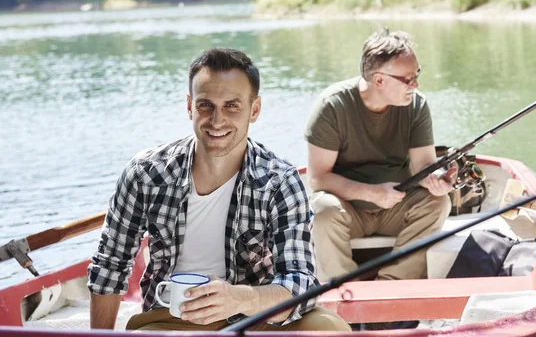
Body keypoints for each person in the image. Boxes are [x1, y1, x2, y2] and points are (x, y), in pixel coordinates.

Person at [88, 48, 351, 332]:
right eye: (205, 105)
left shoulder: (280, 181)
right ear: (189, 106)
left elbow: (300, 283)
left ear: (255, 110)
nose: (216, 120)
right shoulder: (145, 173)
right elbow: (110, 267)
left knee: (330, 329)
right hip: (173, 319)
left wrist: (240, 299)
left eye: (231, 106)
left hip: (256, 316)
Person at [305, 29, 454, 283]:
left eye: (417, 74)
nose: (415, 85)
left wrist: (438, 180)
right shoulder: (332, 106)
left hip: (397, 207)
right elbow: (318, 179)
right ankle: (345, 293)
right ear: (380, 80)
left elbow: (423, 166)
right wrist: (372, 193)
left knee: (438, 203)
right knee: (322, 210)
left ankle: (390, 287)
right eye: (407, 79)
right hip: (347, 210)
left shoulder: (416, 105)